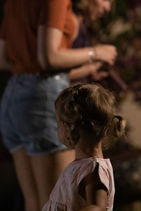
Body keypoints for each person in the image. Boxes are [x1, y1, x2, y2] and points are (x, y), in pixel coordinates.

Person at [0, 0, 117, 210]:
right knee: (65, 200)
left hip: (13, 99)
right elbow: (49, 57)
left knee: (36, 202)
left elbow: (3, 60)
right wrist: (97, 52)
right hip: (43, 98)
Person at [42, 83, 125, 211]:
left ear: (68, 127)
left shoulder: (93, 169)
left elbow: (98, 207)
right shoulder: (83, 167)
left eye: (57, 122)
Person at [66, 0, 120, 83]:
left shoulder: (84, 23)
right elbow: (56, 73)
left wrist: (90, 74)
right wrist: (95, 59)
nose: (107, 7)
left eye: (110, 2)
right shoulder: (70, 21)